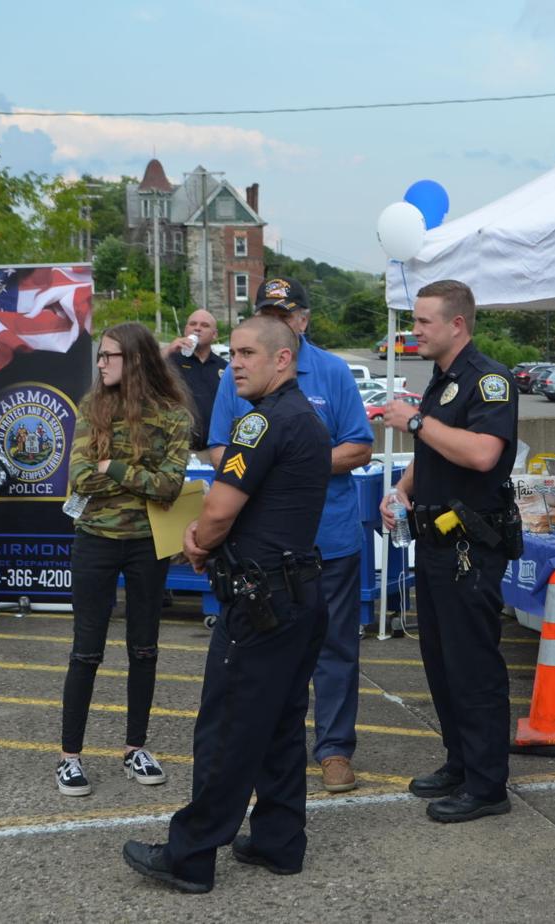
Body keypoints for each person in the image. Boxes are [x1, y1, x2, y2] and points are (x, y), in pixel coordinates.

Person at [123, 314, 330, 893]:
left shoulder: (260, 425)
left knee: (227, 728)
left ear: (282, 360)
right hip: (298, 594)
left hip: (261, 601)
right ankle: (278, 842)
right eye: (232, 352)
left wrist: (197, 541)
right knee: (280, 724)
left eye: (246, 353)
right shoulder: (307, 421)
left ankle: (189, 857)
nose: (234, 362)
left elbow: (217, 512)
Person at [206, 277, 372, 793]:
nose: (278, 321)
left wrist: (288, 467)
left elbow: (360, 446)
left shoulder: (333, 371)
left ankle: (335, 750)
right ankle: (276, 753)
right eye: (267, 313)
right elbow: (218, 448)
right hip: (265, 550)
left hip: (330, 538)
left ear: (303, 321)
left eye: (286, 314)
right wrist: (265, 472)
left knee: (336, 649)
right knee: (264, 656)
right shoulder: (240, 371)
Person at [379, 279, 518, 824]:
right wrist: (403, 490)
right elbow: (435, 448)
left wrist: (415, 420)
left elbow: (483, 454)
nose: (414, 332)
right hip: (435, 542)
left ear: (456, 324)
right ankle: (461, 762)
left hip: (471, 547)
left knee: (473, 666)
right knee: (440, 663)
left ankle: (487, 786)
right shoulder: (442, 381)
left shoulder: (489, 382)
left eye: (422, 323)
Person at [56, 322, 191, 797]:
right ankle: (69, 757)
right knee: (85, 651)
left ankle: (136, 747)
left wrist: (110, 466)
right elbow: (77, 480)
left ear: (135, 359)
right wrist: (137, 475)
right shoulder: (93, 407)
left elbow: (171, 486)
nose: (101, 364)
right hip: (94, 539)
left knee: (145, 649)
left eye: (109, 356)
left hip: (146, 543)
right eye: (99, 356)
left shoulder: (173, 415)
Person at [163, 310, 229, 451]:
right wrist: (168, 350)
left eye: (204, 325)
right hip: (177, 448)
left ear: (215, 334)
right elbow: (141, 373)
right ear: (186, 330)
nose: (197, 328)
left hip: (214, 448)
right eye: (193, 324)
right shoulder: (170, 361)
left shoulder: (224, 367)